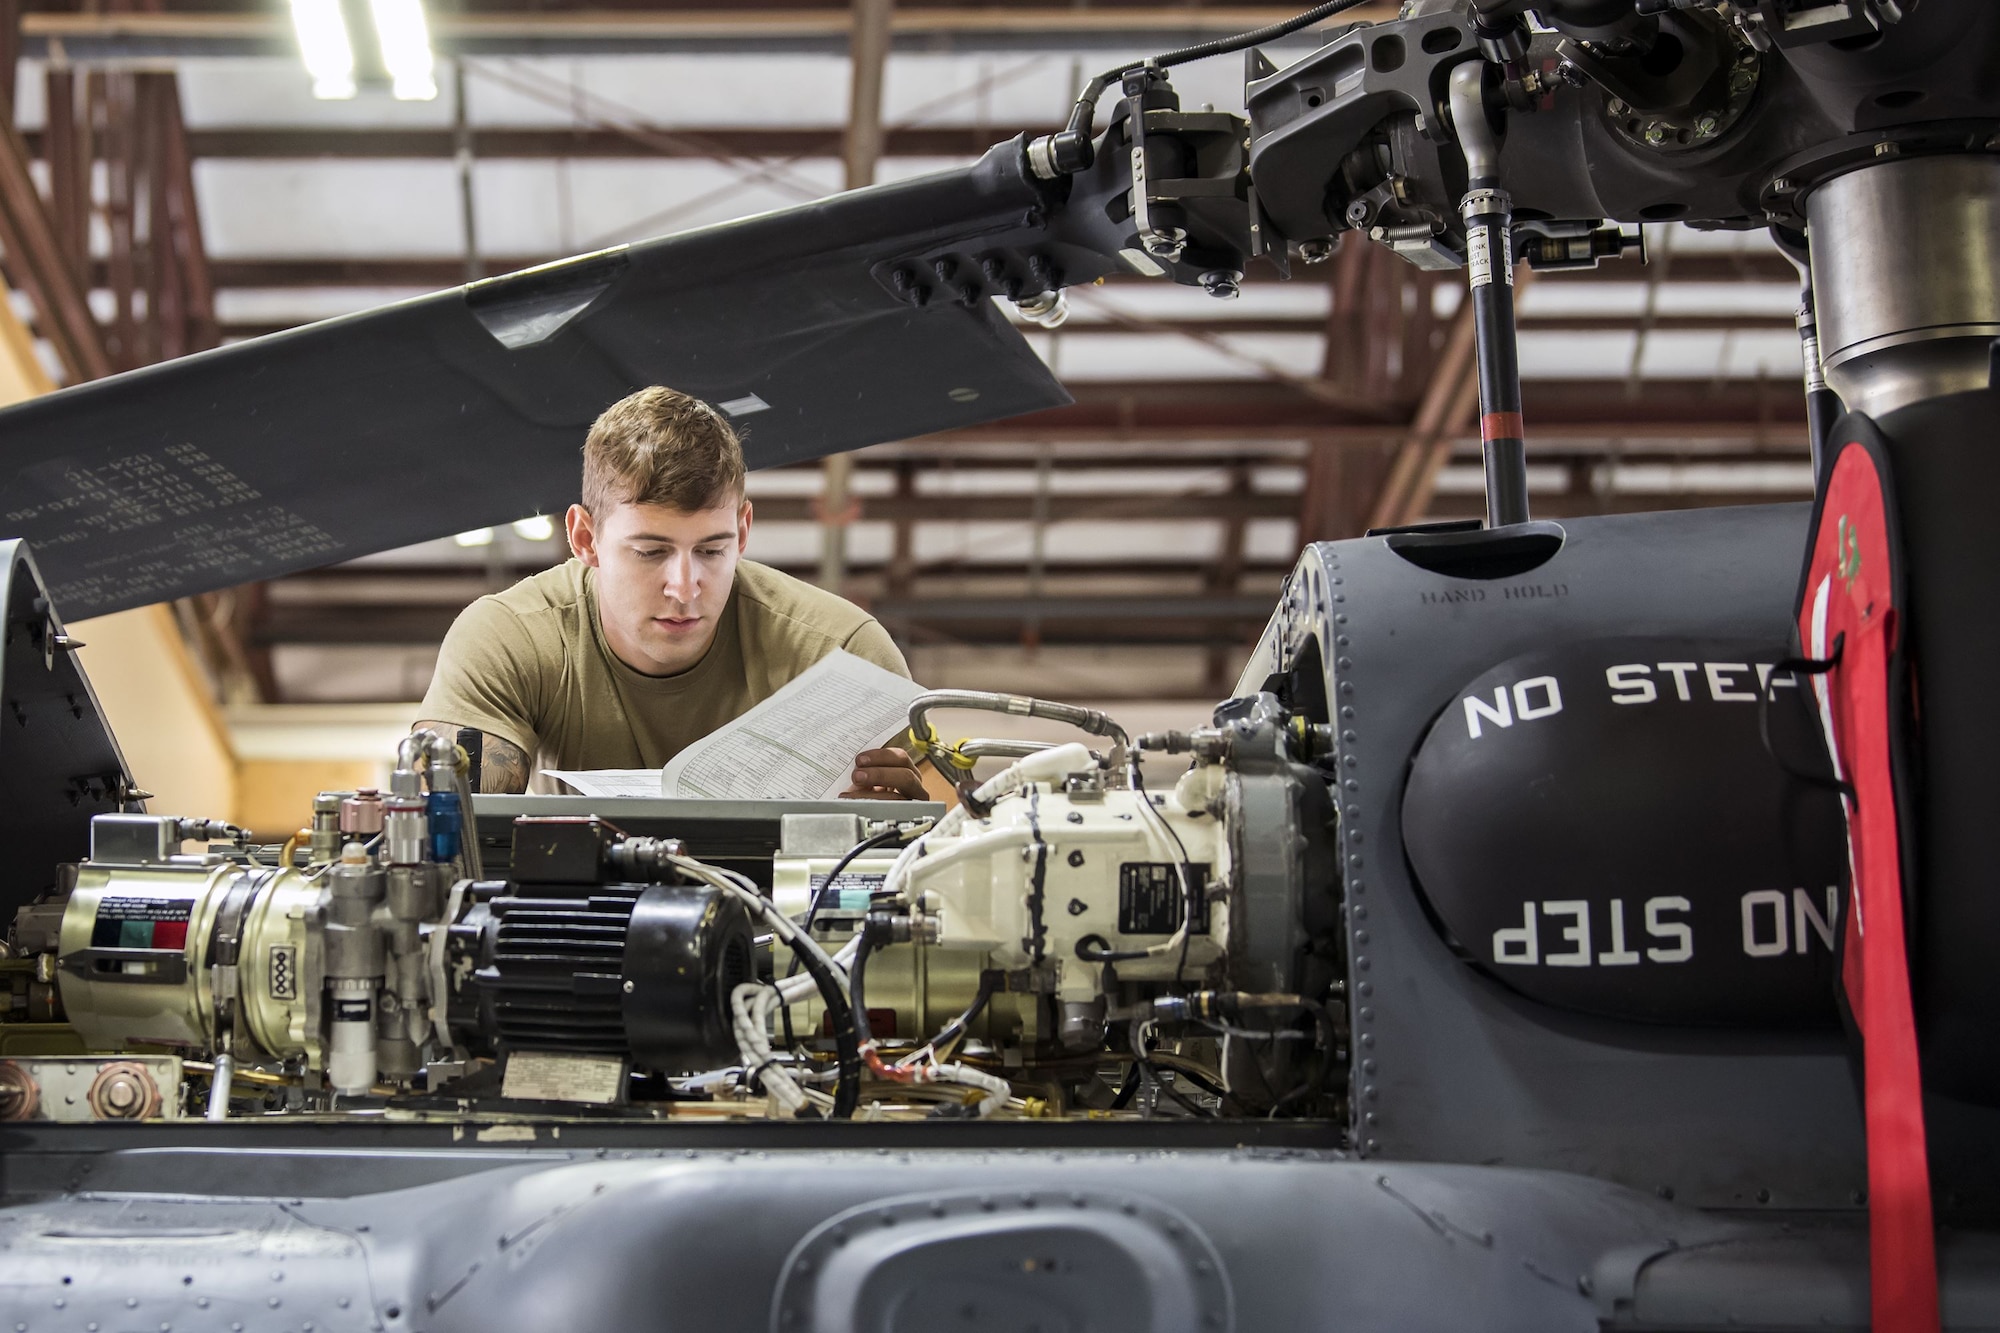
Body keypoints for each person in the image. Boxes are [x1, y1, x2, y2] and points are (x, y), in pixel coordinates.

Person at [414, 385, 930, 798]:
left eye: (711, 551)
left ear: (743, 532)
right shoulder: (509, 638)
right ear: (585, 539)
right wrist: (438, 791)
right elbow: (451, 819)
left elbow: (920, 863)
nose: (685, 588)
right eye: (650, 552)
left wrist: (894, 835)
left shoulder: (843, 654)